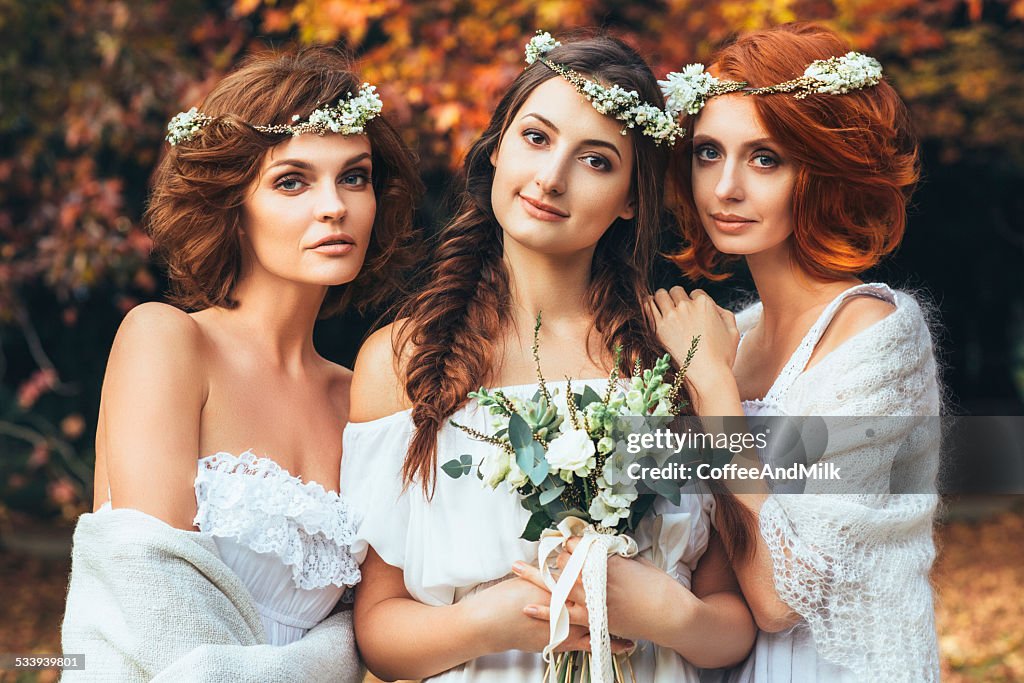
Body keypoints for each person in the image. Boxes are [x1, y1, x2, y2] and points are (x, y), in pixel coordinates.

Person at [341, 31, 755, 682]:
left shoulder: (669, 355)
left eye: (596, 161)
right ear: (498, 146)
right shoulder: (403, 359)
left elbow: (733, 623)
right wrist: (497, 619)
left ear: (631, 199)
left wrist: (666, 614)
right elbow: (378, 632)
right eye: (536, 138)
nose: (551, 177)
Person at [61, 46, 421, 681]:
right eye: (292, 180)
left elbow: (366, 626)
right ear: (233, 204)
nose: (333, 205)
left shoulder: (361, 396)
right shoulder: (166, 341)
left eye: (354, 176)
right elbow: (155, 603)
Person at [650, 22, 941, 682]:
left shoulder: (876, 333)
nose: (724, 187)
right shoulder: (735, 336)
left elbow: (783, 597)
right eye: (707, 153)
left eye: (764, 158)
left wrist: (715, 394)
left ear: (821, 170)